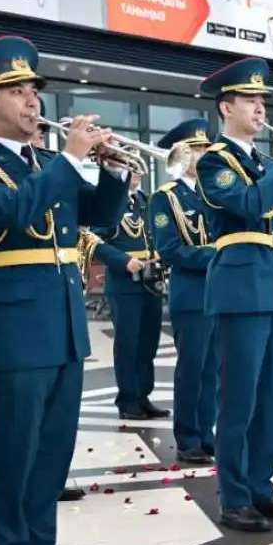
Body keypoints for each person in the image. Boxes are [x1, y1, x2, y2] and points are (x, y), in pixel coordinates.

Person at [0, 36, 129, 545]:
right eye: (18, 91)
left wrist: (114, 171)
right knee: (11, 463)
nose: (33, 102)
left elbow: (99, 216)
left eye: (34, 91)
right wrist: (71, 158)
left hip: (63, 329)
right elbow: (9, 211)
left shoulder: (48, 161)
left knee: (50, 461)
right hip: (16, 332)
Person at [196, 57, 273, 532]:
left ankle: (261, 487)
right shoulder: (214, 161)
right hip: (240, 282)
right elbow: (248, 204)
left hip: (272, 280)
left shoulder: (264, 162)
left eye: (263, 99)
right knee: (239, 397)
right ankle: (234, 496)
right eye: (250, 99)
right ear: (226, 106)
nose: (260, 107)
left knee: (269, 396)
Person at [150, 119, 217, 464]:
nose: (203, 155)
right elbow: (170, 250)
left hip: (220, 293)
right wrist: (218, 255)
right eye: (196, 149)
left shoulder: (214, 192)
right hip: (191, 294)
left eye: (206, 148)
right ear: (181, 153)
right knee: (192, 368)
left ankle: (208, 432)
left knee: (214, 369)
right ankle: (188, 437)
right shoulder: (166, 198)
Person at [94, 172, 168, 421]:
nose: (137, 173)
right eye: (131, 168)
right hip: (125, 280)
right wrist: (124, 261)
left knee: (149, 341)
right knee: (128, 343)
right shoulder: (111, 202)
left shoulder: (146, 201)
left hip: (151, 276)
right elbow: (95, 240)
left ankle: (143, 395)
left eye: (138, 168)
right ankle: (127, 399)